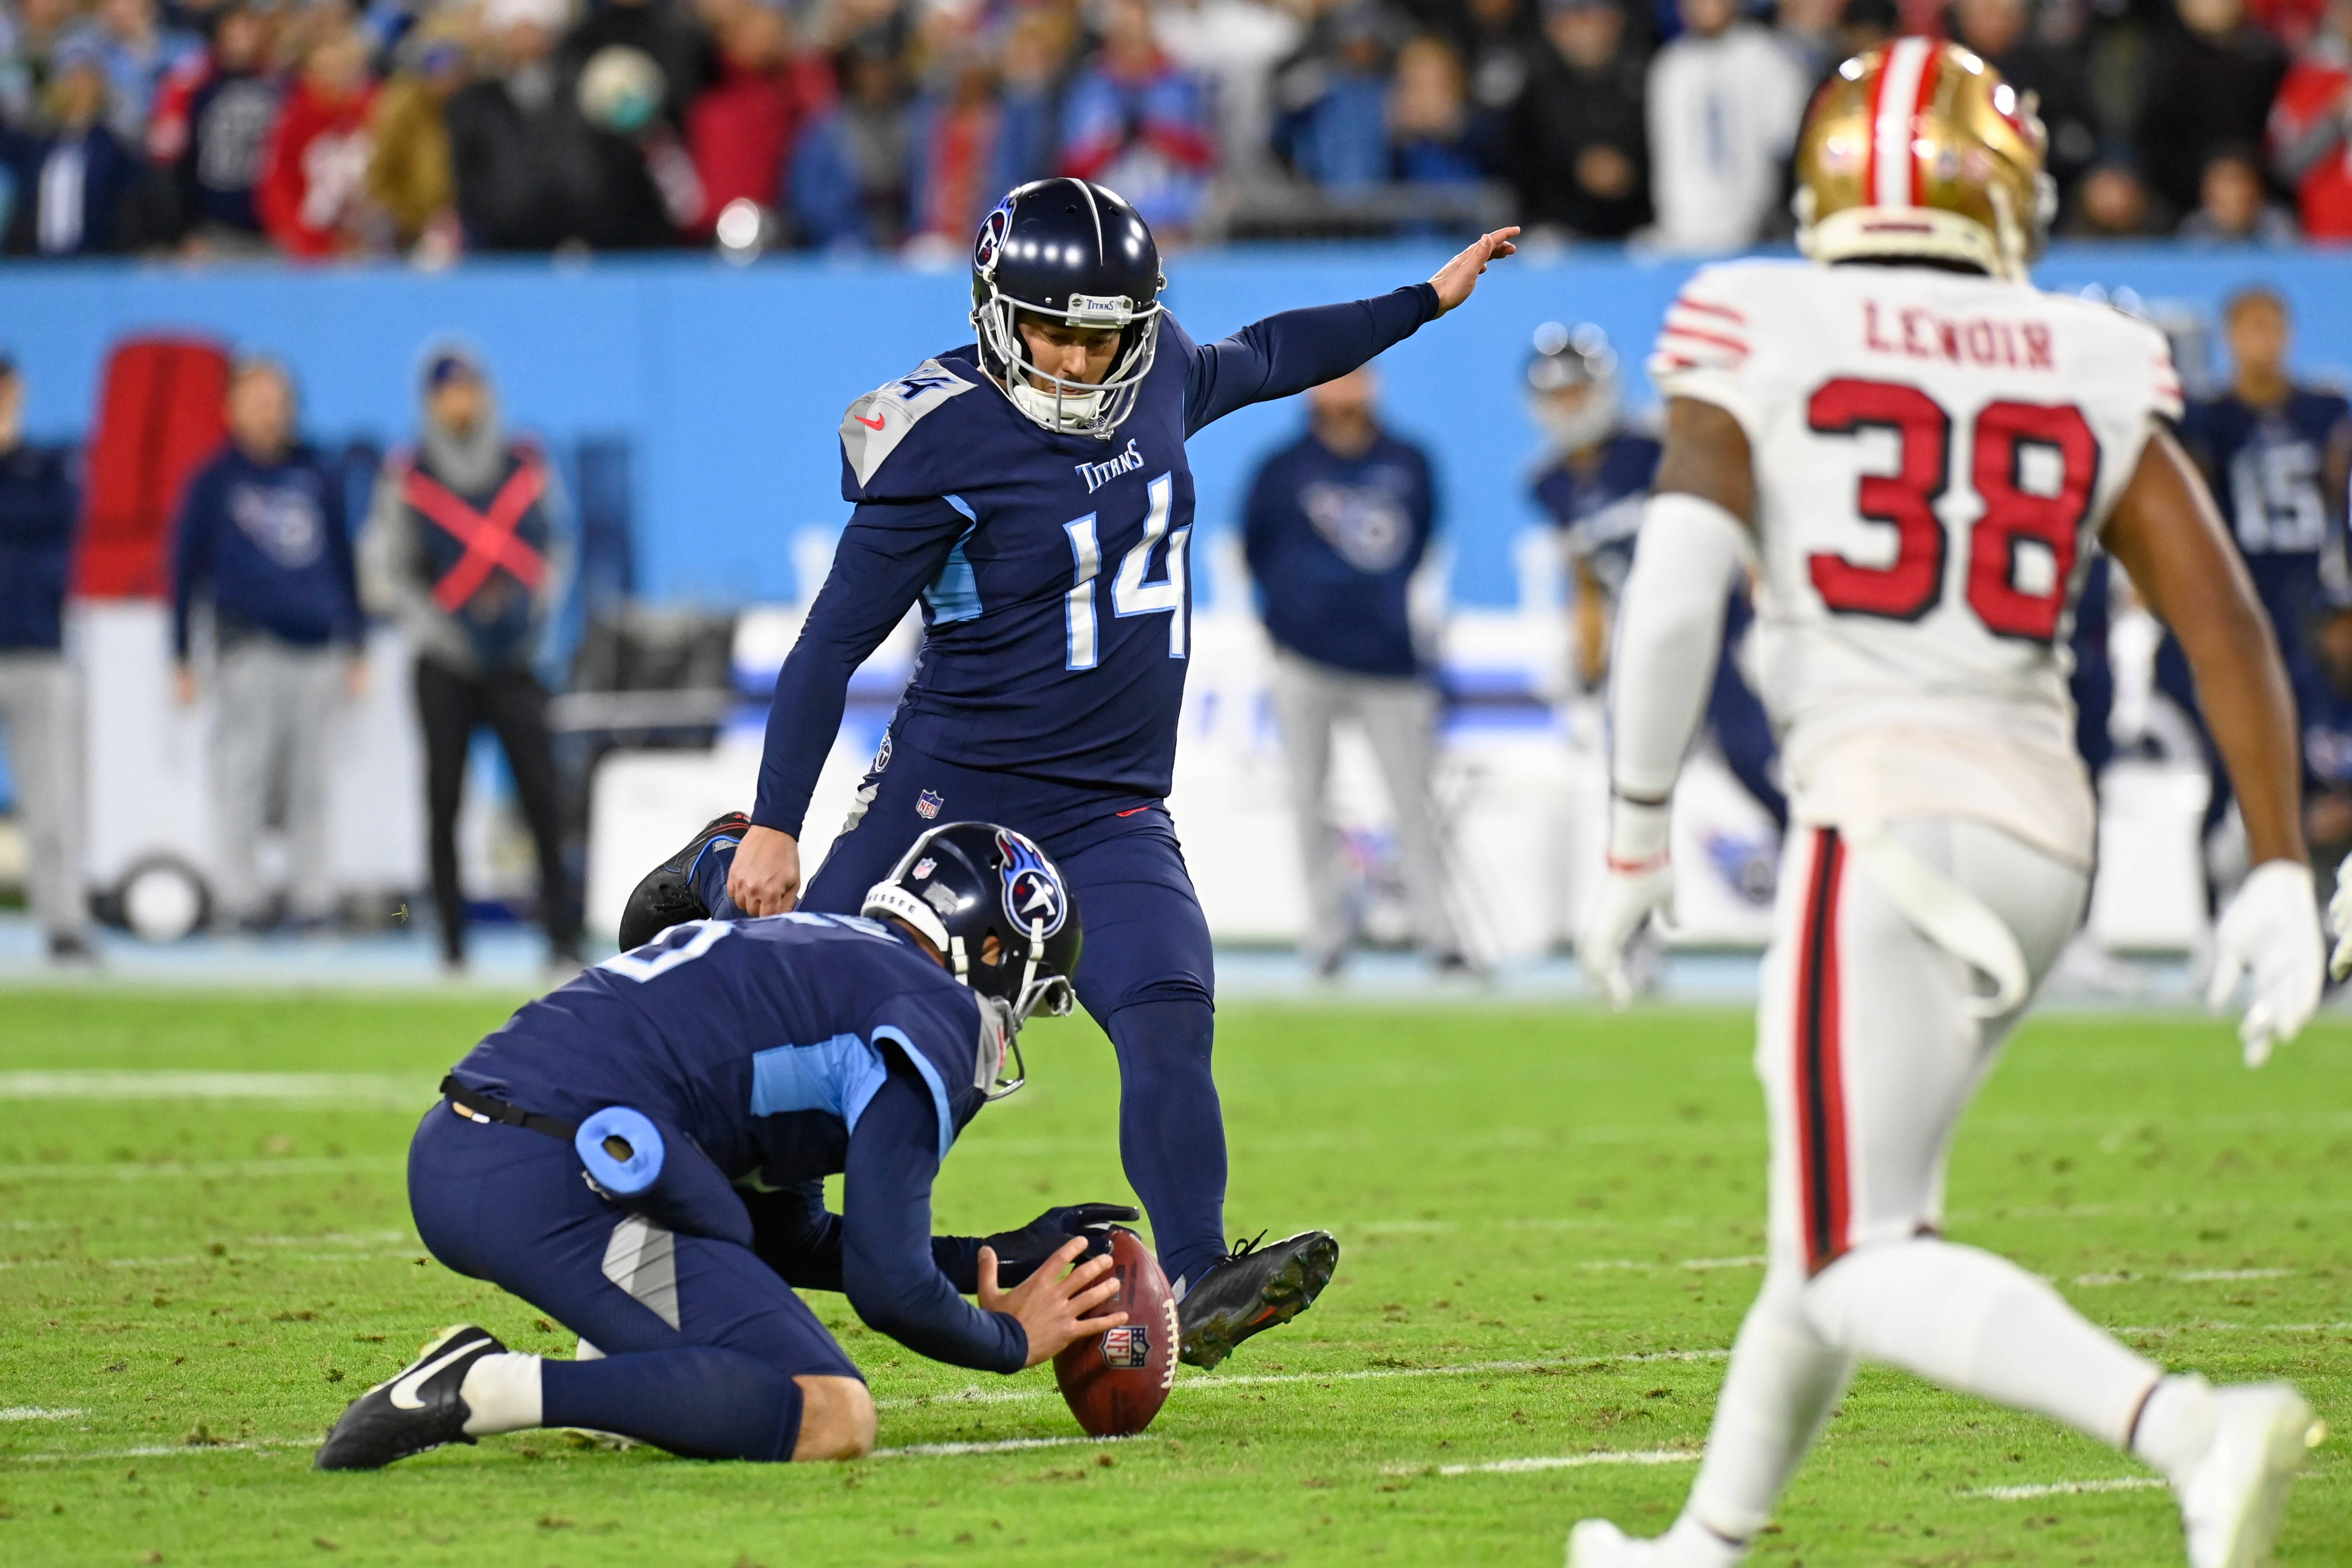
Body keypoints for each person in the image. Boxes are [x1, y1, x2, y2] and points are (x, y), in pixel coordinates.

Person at [1569, 40, 2324, 1568]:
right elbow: (2222, 616)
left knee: (1857, 1247)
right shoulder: (2086, 348)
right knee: (1835, 1225)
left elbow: (1670, 603)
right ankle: (1701, 1544)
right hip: (2046, 834)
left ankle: (2188, 1427)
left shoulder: (1760, 315)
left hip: (1886, 817)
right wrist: (2281, 865)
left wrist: (1635, 829)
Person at [720, 176, 1517, 1367]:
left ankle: (1197, 1279)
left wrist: (1423, 302)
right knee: (807, 1022)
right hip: (951, 797)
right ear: (997, 310)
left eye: (1107, 333)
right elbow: (833, 643)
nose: (1084, 359)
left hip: (1108, 805)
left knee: (1166, 1012)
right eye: (1057, 331)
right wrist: (775, 823)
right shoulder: (939, 435)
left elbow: (1274, 353)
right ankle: (697, 1204)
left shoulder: (1159, 375)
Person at [316, 820, 1134, 1469]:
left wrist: (992, 1255)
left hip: (473, 1147)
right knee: (831, 1409)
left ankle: (634, 1360)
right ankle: (481, 1387)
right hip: (556, 1171)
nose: (1014, 1021)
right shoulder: (933, 1012)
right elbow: (887, 1285)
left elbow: (796, 1238)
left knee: (731, 1225)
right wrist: (1012, 1339)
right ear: (993, 948)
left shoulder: (819, 954)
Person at [358, 346, 580, 972]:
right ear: (430, 402)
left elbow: (557, 548)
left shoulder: (525, 465)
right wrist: (443, 630)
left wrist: (529, 621)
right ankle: (451, 943)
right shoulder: (409, 474)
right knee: (443, 800)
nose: (461, 402)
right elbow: (387, 571)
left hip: (516, 660)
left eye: (470, 389)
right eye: (447, 392)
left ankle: (560, 935)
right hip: (443, 664)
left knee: (543, 797)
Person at [1241, 365, 1468, 976]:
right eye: (1333, 379)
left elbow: (1418, 543)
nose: (1344, 392)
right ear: (1313, 387)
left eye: (1356, 378)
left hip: (1388, 658)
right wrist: (1288, 620)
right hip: (1304, 656)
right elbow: (1255, 547)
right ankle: (1327, 935)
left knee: (1412, 803)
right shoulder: (1283, 468)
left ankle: (1437, 932)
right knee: (1309, 801)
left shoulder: (1407, 461)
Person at [1524, 322, 1784, 833]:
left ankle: (1816, 867)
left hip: (1717, 625)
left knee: (1754, 759)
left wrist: (1765, 603)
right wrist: (1588, 660)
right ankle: (1638, 904)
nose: (1571, 407)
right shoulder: (1549, 483)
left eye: (1578, 392)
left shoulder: (1655, 446)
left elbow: (1742, 516)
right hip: (1644, 641)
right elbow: (1586, 581)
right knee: (1632, 783)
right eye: (1559, 396)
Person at [171, 358, 366, 933]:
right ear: (231, 407)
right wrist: (180, 653)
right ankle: (241, 900)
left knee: (311, 783)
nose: (268, 411)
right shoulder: (214, 481)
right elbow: (186, 571)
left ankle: (313, 902)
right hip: (246, 647)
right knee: (244, 776)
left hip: (316, 647)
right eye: (256, 398)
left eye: (277, 398)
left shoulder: (317, 473)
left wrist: (356, 643)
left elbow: (344, 560)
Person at [2166, 286, 2352, 879]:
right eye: (2251, 328)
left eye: (2273, 327)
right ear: (2229, 338)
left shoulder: (2326, 413)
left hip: (2310, 608)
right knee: (2231, 763)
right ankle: (2214, 910)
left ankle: (2311, 901)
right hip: (2239, 606)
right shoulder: (2212, 419)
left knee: (2317, 762)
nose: (2263, 341)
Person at [0, 356, 94, 964]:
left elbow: (56, 520)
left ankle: (65, 923)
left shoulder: (48, 467)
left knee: (55, 796)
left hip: (37, 645)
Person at [1643, 0, 1808, 253]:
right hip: (1679, 232)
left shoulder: (1769, 60)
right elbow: (1665, 150)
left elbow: (1788, 142)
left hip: (1751, 233)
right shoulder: (1671, 66)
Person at [1506, 0, 1650, 242]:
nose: (1583, 32)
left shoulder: (1648, 78)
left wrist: (1630, 172)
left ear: (1616, 24)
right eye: (1571, 21)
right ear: (1552, 29)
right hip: (1556, 228)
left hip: (1638, 226)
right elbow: (1517, 168)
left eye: (1593, 19)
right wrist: (1576, 168)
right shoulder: (1534, 90)